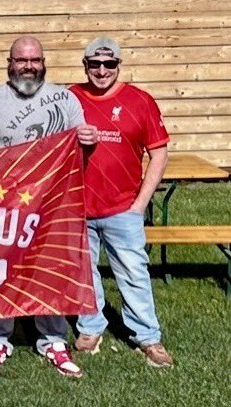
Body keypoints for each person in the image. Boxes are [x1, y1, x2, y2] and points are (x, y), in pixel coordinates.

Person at [0, 35, 98, 378]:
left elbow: (79, 144)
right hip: (2, 203)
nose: (28, 66)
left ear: (43, 63)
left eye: (34, 60)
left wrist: (89, 140)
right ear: (9, 64)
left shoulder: (65, 99)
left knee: (49, 266)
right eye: (21, 60)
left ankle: (53, 338)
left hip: (50, 202)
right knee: (1, 268)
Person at [68, 38, 173, 368]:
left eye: (109, 64)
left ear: (118, 65)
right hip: (78, 207)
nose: (102, 71)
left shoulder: (140, 100)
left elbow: (159, 155)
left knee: (133, 272)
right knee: (83, 273)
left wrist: (140, 204)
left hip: (123, 207)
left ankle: (148, 337)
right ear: (85, 65)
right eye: (95, 64)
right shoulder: (69, 97)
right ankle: (90, 328)